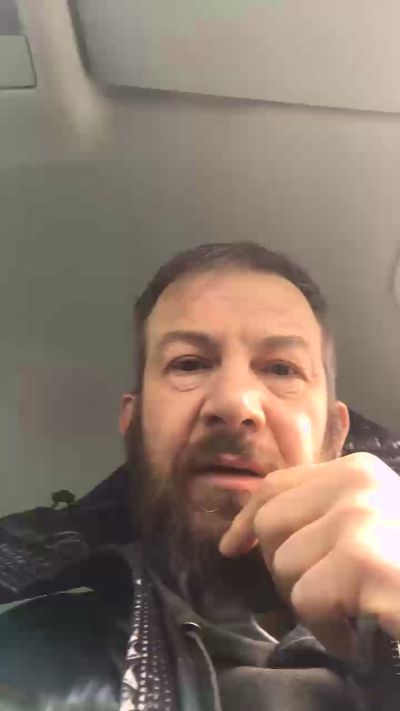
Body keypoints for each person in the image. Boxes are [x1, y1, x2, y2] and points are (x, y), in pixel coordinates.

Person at [1, 241, 400, 711]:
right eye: (189, 364)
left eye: (281, 368)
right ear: (134, 421)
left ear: (335, 435)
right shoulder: (19, 659)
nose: (234, 403)